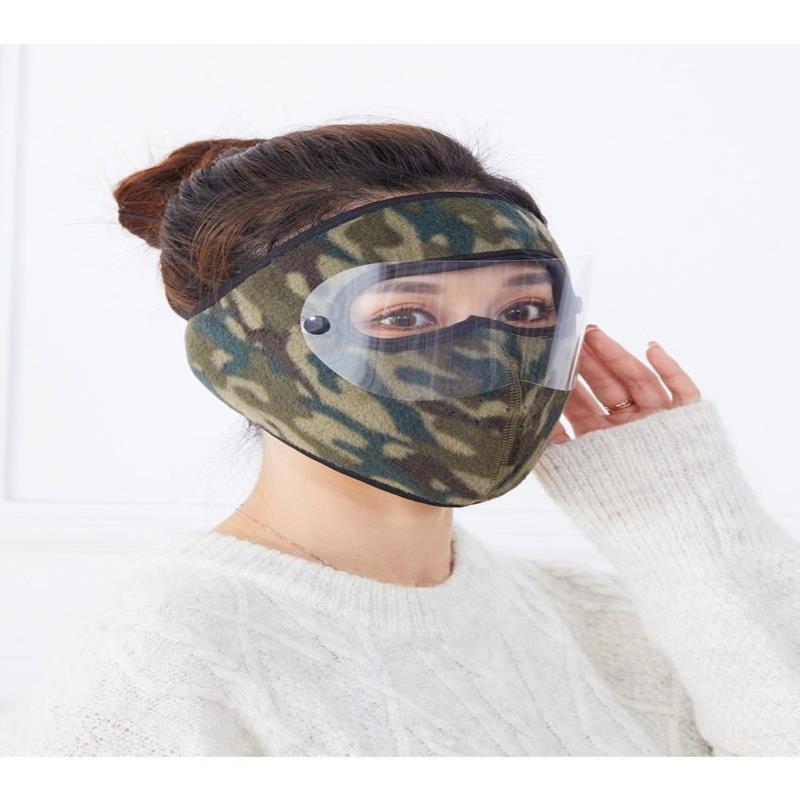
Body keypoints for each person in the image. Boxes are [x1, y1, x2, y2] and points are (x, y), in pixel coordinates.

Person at [2, 123, 798, 757]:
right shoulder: (162, 661)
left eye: (524, 312)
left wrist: (681, 527)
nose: (491, 360)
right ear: (247, 358)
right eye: (405, 317)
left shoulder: (605, 614)